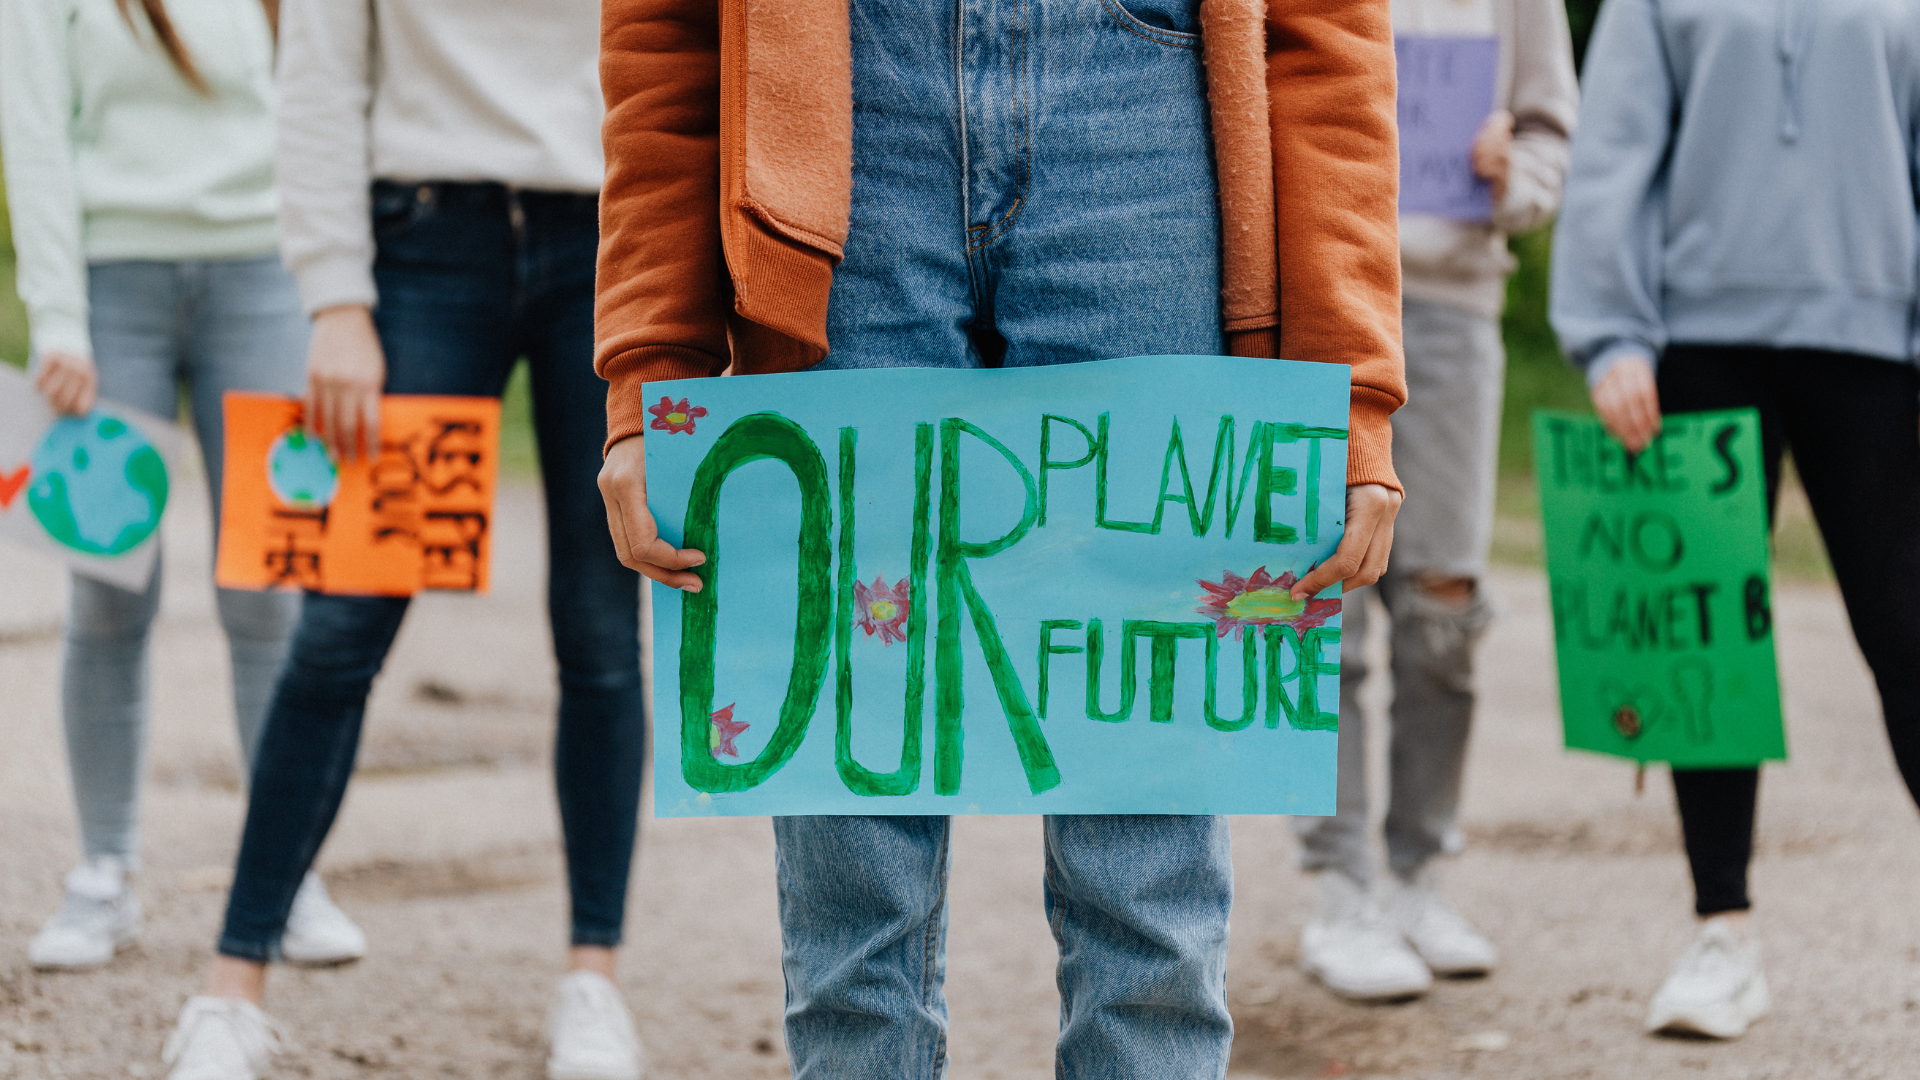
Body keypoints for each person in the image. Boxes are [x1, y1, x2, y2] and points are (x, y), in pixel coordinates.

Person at [593, 0, 1405, 1075]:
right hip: (842, 102)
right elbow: (663, 28)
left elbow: (1331, 32)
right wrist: (654, 361)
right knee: (854, 883)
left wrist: (1349, 387)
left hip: (1148, 97)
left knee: (1147, 882)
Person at [157, 1, 650, 1078]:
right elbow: (322, 76)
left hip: (611, 243)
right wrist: (334, 298)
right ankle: (232, 986)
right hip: (426, 247)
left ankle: (594, 983)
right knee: (341, 628)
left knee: (602, 631)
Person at [1551, 0, 1920, 1041]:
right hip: (1698, 343)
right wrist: (1611, 332)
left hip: (1878, 346)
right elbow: (1615, 144)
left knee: (1907, 631)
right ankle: (1724, 932)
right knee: (1705, 649)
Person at [0, 0, 364, 973]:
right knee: (108, 591)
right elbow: (32, 126)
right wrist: (56, 316)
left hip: (268, 278)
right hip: (112, 286)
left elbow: (339, 100)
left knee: (268, 589)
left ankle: (285, 877)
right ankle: (104, 872)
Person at [1292, 0, 1577, 1002]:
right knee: (1327, 606)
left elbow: (1552, 131)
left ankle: (1418, 872)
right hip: (1322, 306)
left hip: (1453, 308)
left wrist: (1519, 176)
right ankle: (1342, 886)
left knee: (1445, 607)